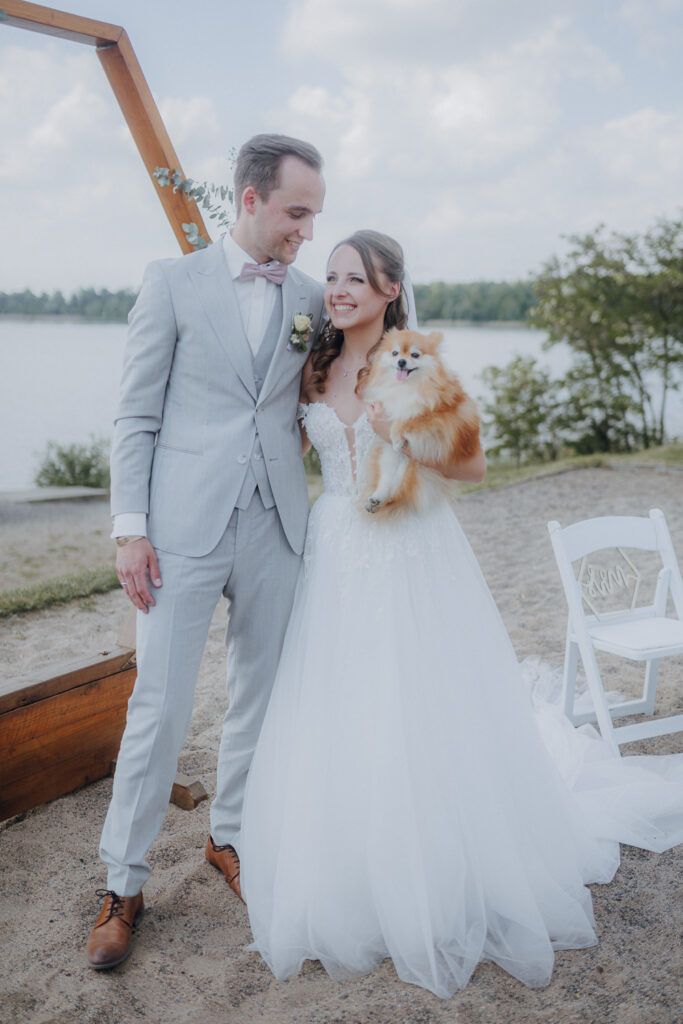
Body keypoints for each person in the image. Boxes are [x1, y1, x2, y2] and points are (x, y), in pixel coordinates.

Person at [239, 230, 683, 998]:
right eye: (333, 276)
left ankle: (444, 860)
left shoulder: (416, 364)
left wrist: (398, 431)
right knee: (342, 705)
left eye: (357, 279)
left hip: (414, 549)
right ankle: (356, 863)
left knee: (424, 699)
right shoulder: (309, 369)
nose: (338, 289)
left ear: (389, 291)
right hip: (337, 551)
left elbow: (472, 465)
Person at [87, 134, 327, 970]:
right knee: (159, 705)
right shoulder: (172, 282)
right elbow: (135, 413)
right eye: (297, 213)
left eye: (314, 216)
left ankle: (230, 838)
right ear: (250, 199)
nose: (306, 231)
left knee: (258, 696)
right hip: (179, 532)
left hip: (276, 525)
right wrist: (130, 529)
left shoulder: (311, 295)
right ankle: (124, 881)